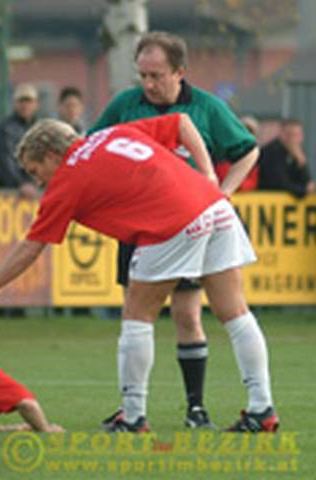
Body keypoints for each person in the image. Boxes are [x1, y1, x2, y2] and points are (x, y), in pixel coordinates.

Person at [0, 114, 279, 434]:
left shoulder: (67, 179)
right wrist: (208, 174)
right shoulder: (113, 133)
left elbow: (31, 247)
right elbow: (181, 122)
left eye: (36, 171)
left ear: (51, 155)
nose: (38, 181)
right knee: (235, 312)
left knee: (137, 316)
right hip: (215, 206)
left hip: (172, 222)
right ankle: (262, 409)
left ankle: (133, 416)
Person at [87, 31, 259, 429]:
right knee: (134, 316)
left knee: (187, 314)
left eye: (157, 75)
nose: (148, 84)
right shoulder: (125, 105)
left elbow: (248, 150)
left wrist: (223, 192)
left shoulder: (206, 108)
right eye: (143, 75)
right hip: (137, 227)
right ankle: (132, 408)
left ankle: (195, 409)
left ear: (180, 72)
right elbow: (92, 147)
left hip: (188, 227)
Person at [0, 83, 41, 199]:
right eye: (21, 101)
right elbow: (4, 162)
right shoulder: (4, 129)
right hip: (9, 194)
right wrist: (21, 184)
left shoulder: (42, 128)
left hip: (38, 192)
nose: (25, 105)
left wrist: (36, 184)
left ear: (36, 104)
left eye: (28, 101)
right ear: (14, 103)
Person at [258, 118, 315, 198]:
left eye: (299, 135)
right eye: (292, 135)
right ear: (283, 135)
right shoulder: (272, 152)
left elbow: (306, 182)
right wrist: (304, 191)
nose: (296, 139)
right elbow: (280, 183)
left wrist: (302, 162)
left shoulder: (297, 152)